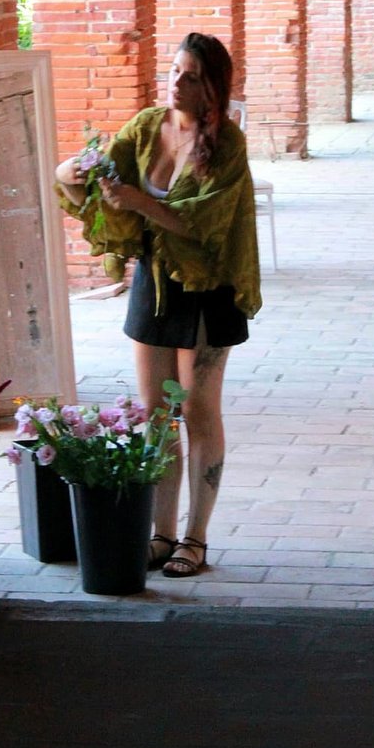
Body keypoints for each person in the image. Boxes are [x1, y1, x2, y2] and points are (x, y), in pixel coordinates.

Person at [54, 32, 261, 578]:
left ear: (212, 87)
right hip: (155, 281)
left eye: (190, 75)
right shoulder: (146, 127)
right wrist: (71, 175)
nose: (176, 81)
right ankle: (161, 533)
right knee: (156, 416)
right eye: (173, 70)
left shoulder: (228, 144)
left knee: (198, 411)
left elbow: (203, 224)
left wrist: (141, 202)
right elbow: (103, 184)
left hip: (208, 287)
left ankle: (195, 538)